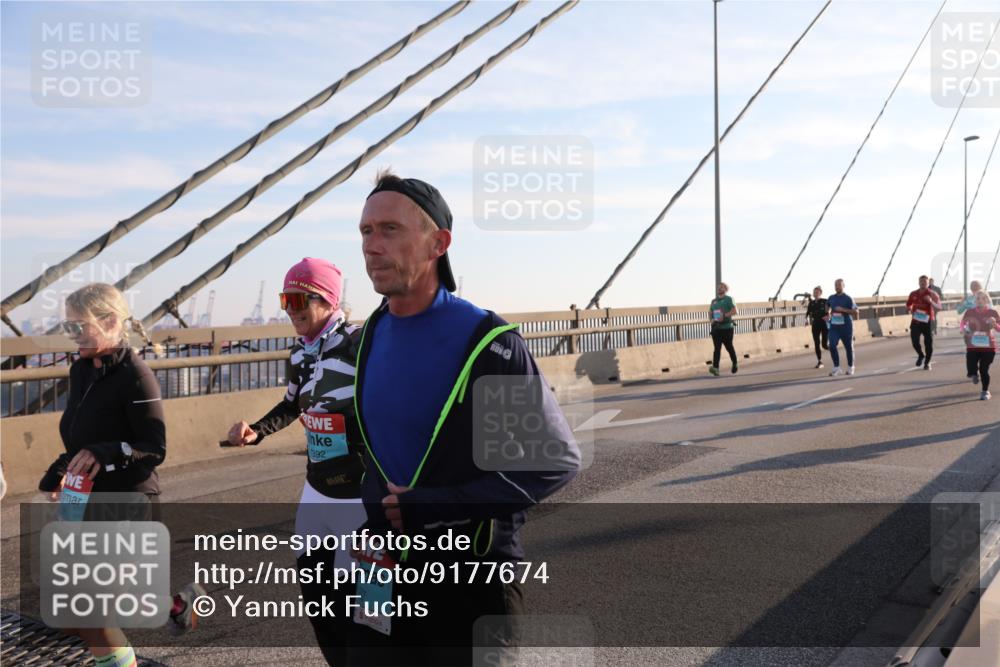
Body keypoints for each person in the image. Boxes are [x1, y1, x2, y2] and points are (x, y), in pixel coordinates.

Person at [350, 170, 580, 664]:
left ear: (439, 243)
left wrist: (433, 506)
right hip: (382, 573)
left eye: (390, 229)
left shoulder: (486, 343)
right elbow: (377, 450)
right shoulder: (366, 337)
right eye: (366, 231)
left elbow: (553, 462)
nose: (371, 245)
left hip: (470, 581)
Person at [226, 257, 365, 666]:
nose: (291, 309)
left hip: (357, 494)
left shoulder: (361, 342)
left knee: (359, 606)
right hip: (316, 490)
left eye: (299, 300)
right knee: (318, 600)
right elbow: (291, 404)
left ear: (328, 299)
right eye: (285, 300)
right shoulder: (300, 353)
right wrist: (257, 430)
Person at [37, 283, 181, 667]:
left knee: (92, 613)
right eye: (67, 327)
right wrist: (59, 473)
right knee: (70, 618)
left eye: (78, 326)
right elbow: (81, 438)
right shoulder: (82, 369)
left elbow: (154, 449)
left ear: (111, 321)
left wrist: (104, 454)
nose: (72, 336)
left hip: (127, 501)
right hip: (85, 500)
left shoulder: (136, 375)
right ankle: (174, 605)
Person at [960, 290, 999, 400]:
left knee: (984, 369)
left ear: (987, 300)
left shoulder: (993, 313)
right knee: (971, 365)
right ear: (975, 301)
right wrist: (964, 329)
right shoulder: (969, 312)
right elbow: (963, 324)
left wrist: (995, 325)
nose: (980, 301)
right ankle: (973, 373)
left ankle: (985, 391)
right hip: (973, 346)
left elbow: (999, 328)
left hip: (988, 346)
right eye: (978, 298)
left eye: (983, 298)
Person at [906, 275, 941, 370]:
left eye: (925, 282)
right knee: (914, 341)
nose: (923, 283)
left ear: (928, 283)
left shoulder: (933, 294)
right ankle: (921, 355)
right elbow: (909, 304)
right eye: (921, 281)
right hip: (916, 321)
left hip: (928, 322)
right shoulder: (913, 293)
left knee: (928, 343)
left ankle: (927, 362)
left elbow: (939, 307)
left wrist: (931, 301)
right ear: (918, 282)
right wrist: (909, 308)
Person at [826, 279, 859, 376]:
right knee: (831, 345)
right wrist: (828, 312)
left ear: (843, 286)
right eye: (835, 285)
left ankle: (851, 367)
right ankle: (837, 368)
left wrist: (843, 309)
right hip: (834, 326)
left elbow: (856, 312)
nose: (837, 287)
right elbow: (827, 305)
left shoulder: (848, 298)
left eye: (839, 285)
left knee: (848, 347)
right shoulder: (831, 297)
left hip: (846, 327)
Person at [709, 282, 739, 375]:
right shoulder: (714, 301)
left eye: (721, 287)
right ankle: (716, 368)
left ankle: (735, 363)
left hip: (727, 328)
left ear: (726, 289)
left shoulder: (729, 299)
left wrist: (725, 315)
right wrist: (711, 320)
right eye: (718, 287)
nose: (719, 288)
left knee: (729, 347)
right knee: (717, 349)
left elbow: (735, 311)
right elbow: (710, 312)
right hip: (716, 328)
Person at [805, 286, 829, 369]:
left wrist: (829, 315)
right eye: (814, 292)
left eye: (817, 292)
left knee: (824, 345)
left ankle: (832, 350)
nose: (815, 294)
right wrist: (806, 320)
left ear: (820, 293)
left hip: (824, 323)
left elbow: (830, 309)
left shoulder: (825, 301)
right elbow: (808, 313)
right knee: (816, 343)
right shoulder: (811, 303)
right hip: (815, 324)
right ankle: (820, 361)